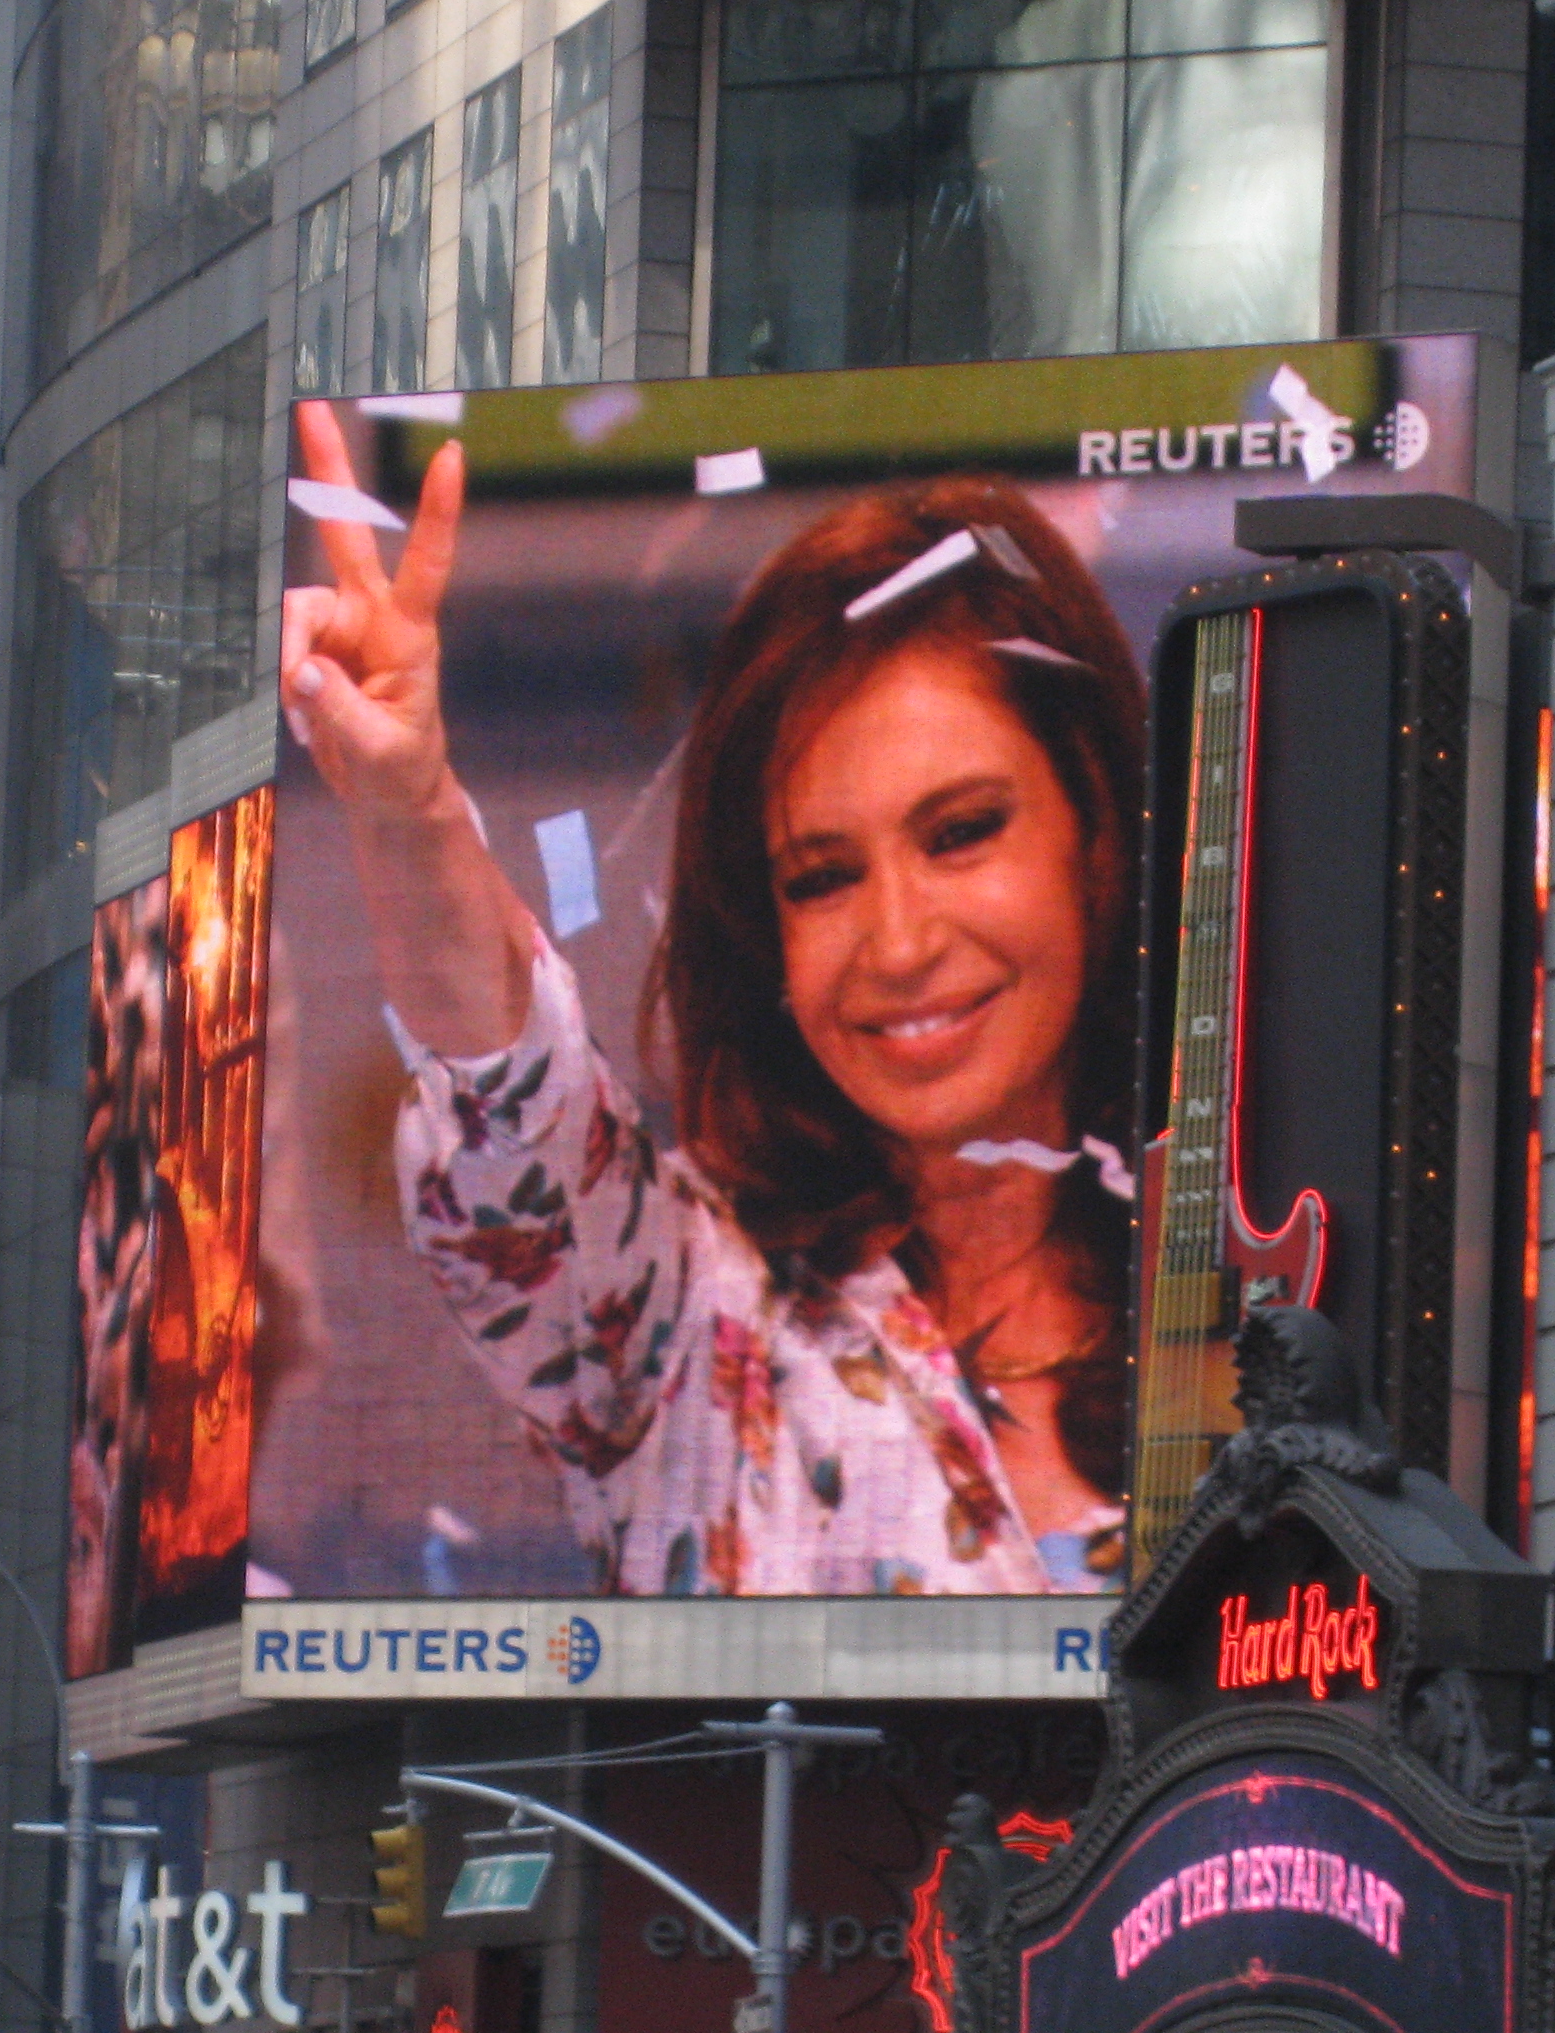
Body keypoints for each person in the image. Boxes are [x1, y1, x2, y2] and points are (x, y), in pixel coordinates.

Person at [281, 405, 1142, 1594]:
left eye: (960, 834)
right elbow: (516, 1122)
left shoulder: (1272, 1280)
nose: (899, 944)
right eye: (822, 878)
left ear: (1096, 830)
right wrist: (409, 808)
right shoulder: (688, 1313)